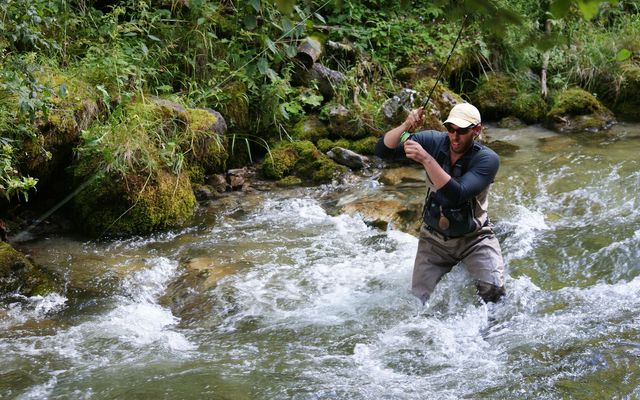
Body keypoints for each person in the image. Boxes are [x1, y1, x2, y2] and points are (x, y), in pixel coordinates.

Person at [375, 102, 506, 304]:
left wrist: (426, 159)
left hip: (475, 239)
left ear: (476, 130)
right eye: (450, 129)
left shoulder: (487, 160)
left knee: (495, 296)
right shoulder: (434, 141)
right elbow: (383, 150)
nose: (454, 136)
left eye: (461, 131)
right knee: (416, 303)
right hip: (433, 240)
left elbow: (457, 194)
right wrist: (405, 126)